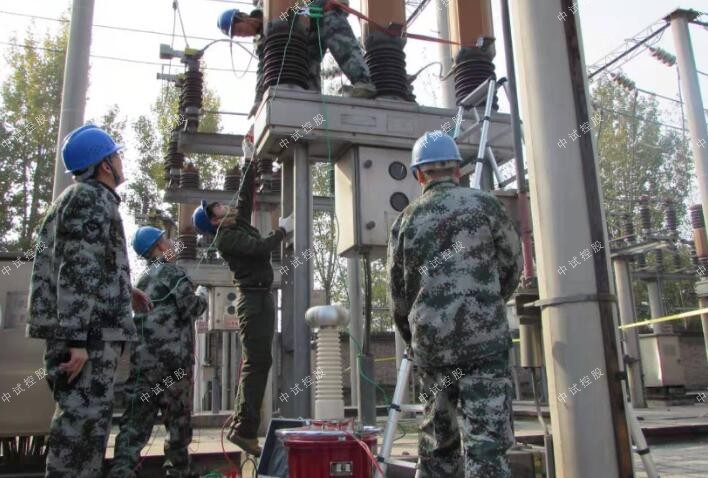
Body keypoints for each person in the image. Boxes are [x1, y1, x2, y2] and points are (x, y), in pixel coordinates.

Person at [386, 131, 522, 478]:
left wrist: (416, 338)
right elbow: (512, 266)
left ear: (419, 175)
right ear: (458, 170)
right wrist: (488, 306)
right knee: (487, 446)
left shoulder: (406, 220)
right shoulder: (487, 206)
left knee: (438, 446)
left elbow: (398, 296)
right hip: (485, 346)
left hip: (433, 348)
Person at [26, 124, 153, 478]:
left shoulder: (82, 199)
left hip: (90, 333)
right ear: (105, 165)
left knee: (88, 428)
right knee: (79, 433)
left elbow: (89, 262)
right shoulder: (90, 199)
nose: (121, 161)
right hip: (88, 338)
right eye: (116, 155)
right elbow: (76, 270)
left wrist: (126, 290)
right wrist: (76, 340)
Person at [191, 139, 293, 456]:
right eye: (217, 208)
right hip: (253, 301)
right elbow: (261, 249)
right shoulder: (227, 238)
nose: (225, 206)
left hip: (261, 297)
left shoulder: (237, 225)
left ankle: (243, 427)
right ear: (215, 221)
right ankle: (244, 429)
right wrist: (281, 232)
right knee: (257, 363)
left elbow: (245, 195)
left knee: (259, 362)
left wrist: (248, 161)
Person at [108, 226, 208, 478]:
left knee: (136, 420)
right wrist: (203, 295)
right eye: (167, 239)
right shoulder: (173, 273)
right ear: (159, 246)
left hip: (143, 363)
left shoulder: (141, 279)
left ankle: (122, 469)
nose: (172, 242)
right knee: (177, 419)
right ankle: (178, 469)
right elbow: (192, 308)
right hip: (173, 364)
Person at [217, 0, 376, 117]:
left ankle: (363, 81)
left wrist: (317, 5)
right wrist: (258, 100)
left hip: (321, 17)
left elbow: (300, 5)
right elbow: (262, 68)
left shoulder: (270, 10)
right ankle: (311, 109)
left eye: (239, 30)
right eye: (238, 35)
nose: (242, 35)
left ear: (243, 17)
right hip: (306, 41)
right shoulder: (260, 40)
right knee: (303, 66)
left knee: (334, 29)